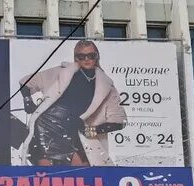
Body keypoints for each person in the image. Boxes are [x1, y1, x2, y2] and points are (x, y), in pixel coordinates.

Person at [18, 39, 126, 167]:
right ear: (76, 58)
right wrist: (28, 103)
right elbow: (25, 82)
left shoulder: (106, 84)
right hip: (47, 126)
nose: (86, 59)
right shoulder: (61, 72)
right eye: (81, 56)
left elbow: (119, 121)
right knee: (47, 177)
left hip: (76, 132)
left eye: (91, 55)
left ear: (97, 56)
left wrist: (93, 130)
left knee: (82, 176)